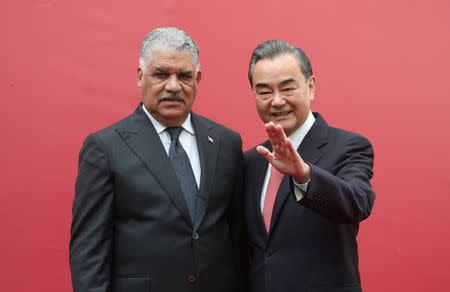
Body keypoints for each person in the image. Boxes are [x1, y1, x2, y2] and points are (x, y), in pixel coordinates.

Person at [70, 27, 246, 292]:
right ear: (141, 77)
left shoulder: (226, 142)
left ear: (198, 79)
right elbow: (88, 252)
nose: (173, 86)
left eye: (184, 76)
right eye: (161, 74)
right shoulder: (105, 147)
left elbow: (237, 238)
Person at [244, 40, 375, 292]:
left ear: (311, 87)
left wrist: (304, 174)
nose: (277, 101)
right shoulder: (251, 161)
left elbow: (358, 203)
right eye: (264, 92)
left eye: (288, 88)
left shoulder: (348, 147)